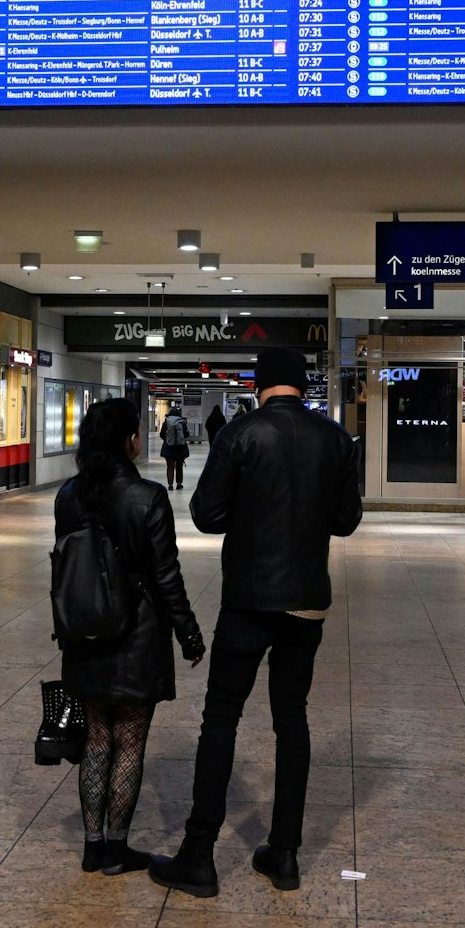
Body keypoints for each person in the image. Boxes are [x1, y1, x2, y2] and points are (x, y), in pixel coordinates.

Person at [150, 346, 361, 898]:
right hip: (307, 601)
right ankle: (284, 854)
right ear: (302, 386)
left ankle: (199, 856)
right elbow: (346, 521)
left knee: (221, 718)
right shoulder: (335, 439)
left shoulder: (240, 434)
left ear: (261, 384)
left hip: (247, 599)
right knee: (292, 719)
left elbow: (206, 514)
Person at [54, 398, 205, 874]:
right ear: (126, 440)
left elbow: (63, 567)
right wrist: (189, 633)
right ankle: (118, 848)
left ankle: (92, 845)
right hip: (136, 634)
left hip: (84, 632)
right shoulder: (148, 498)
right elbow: (165, 576)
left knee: (97, 736)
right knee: (130, 739)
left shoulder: (69, 495)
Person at [158, 404, 190, 490]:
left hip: (168, 447)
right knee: (179, 466)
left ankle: (170, 485)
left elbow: (161, 434)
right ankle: (179, 484)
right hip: (181, 448)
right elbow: (187, 434)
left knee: (170, 466)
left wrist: (167, 440)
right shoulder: (182, 422)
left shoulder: (166, 422)